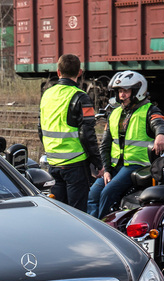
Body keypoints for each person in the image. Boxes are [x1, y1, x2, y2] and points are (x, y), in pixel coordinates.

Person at [87, 71, 164, 219]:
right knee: (93, 194)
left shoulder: (149, 110)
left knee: (108, 193)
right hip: (114, 166)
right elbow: (105, 145)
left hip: (136, 165)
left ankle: (104, 227)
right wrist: (106, 170)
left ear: (138, 91)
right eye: (120, 91)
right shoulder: (114, 113)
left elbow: (160, 124)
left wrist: (161, 135)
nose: (122, 95)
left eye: (126, 91)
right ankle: (91, 227)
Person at [38, 53, 101, 212]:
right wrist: (98, 163)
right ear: (80, 72)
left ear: (58, 72)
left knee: (60, 213)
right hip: (75, 165)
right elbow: (87, 134)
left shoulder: (47, 94)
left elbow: (40, 129)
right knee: (77, 214)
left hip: (52, 164)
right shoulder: (81, 97)